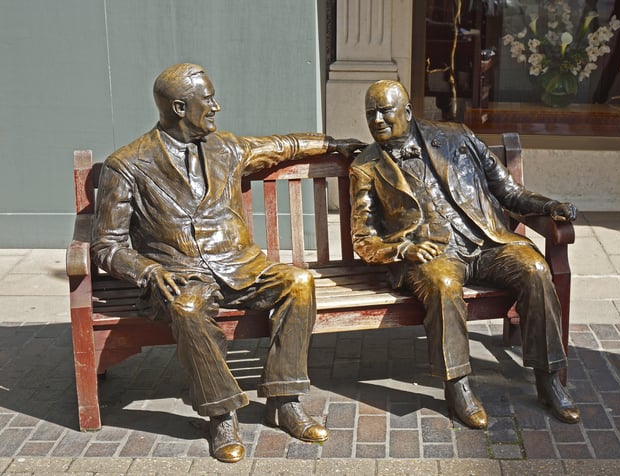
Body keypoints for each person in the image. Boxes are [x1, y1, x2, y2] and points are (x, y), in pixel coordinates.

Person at [91, 63, 363, 463]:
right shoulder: (128, 164)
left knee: (299, 282)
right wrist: (148, 271)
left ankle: (284, 400)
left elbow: (282, 146)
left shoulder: (228, 148)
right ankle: (222, 415)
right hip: (180, 274)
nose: (216, 106)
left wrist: (332, 144)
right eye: (208, 100)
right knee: (187, 308)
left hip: (241, 266)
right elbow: (106, 245)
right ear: (180, 108)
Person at [349, 79, 580, 430]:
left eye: (385, 111)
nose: (377, 119)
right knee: (442, 284)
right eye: (370, 113)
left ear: (408, 112)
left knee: (534, 268)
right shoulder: (365, 166)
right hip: (431, 254)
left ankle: (548, 380)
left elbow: (509, 193)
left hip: (485, 243)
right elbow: (363, 238)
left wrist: (549, 206)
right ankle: (457, 387)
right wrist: (404, 249)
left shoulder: (457, 137)